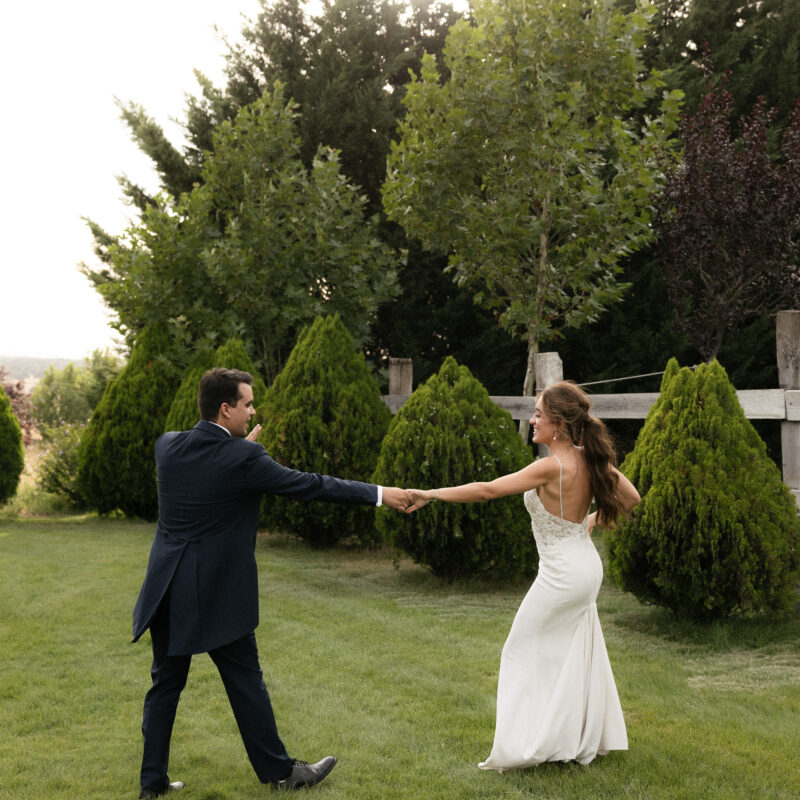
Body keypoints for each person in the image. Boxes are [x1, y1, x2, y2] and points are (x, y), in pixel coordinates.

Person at [132, 367, 412, 798]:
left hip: (167, 589)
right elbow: (310, 485)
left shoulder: (168, 446)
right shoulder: (244, 459)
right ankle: (283, 773)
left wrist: (239, 450)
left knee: (165, 686)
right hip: (216, 594)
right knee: (245, 681)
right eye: (247, 404)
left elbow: (209, 468)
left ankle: (151, 786)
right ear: (225, 409)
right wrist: (380, 493)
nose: (253, 411)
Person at [405, 380, 640, 771]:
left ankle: (527, 746)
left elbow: (487, 490)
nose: (532, 420)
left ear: (559, 424)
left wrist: (431, 494)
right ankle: (565, 739)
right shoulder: (590, 459)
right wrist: (588, 522)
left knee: (519, 650)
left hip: (562, 575)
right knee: (566, 652)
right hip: (584, 568)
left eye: (538, 414)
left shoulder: (550, 466)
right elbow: (632, 498)